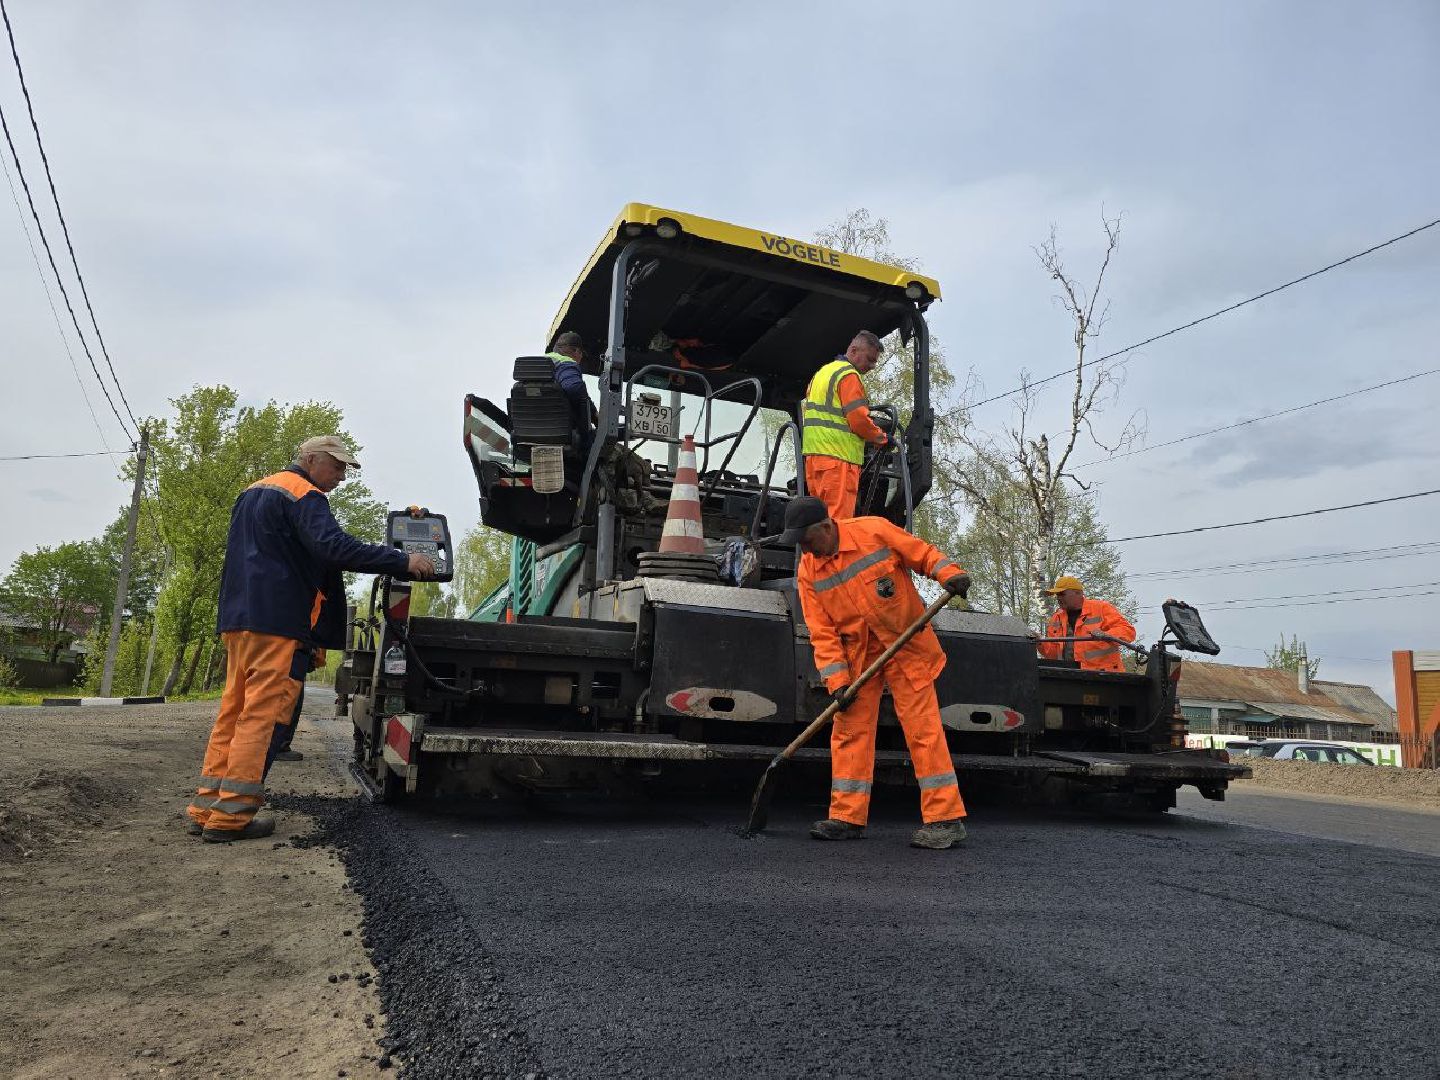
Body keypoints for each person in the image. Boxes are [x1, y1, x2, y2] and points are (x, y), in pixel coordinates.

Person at [186, 436, 434, 843]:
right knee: (261, 716)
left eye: (344, 469)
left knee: (233, 710)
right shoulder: (305, 495)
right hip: (278, 621)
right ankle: (231, 817)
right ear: (310, 458)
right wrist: (402, 560)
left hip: (239, 618)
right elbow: (334, 548)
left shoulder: (252, 492)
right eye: (336, 466)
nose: (340, 476)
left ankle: (206, 808)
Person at [781, 495, 971, 850]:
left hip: (905, 642)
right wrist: (838, 682)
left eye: (807, 540)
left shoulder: (873, 531)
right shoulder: (809, 571)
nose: (805, 550)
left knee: (923, 730)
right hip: (859, 657)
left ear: (825, 526)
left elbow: (922, 554)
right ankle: (847, 817)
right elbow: (821, 632)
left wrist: (949, 573)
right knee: (849, 730)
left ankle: (945, 819)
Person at [799, 330, 892, 520]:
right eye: (870, 359)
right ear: (854, 350)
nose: (872, 366)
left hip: (815, 461)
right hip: (838, 461)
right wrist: (881, 438)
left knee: (819, 524)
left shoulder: (822, 373)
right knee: (838, 524)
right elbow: (858, 420)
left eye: (875, 362)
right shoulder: (849, 376)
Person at [1036, 575, 1136, 673]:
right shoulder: (1056, 618)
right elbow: (1053, 655)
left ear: (1078, 593)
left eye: (1062, 594)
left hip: (1105, 676)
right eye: (1057, 595)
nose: (1058, 598)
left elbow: (1128, 631)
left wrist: (1106, 635)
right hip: (1069, 677)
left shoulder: (1101, 608)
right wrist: (1039, 642)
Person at [548, 330, 596, 456]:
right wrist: (594, 414)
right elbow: (574, 388)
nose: (581, 358)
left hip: (528, 431)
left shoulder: (539, 364)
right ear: (576, 351)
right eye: (581, 354)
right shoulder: (565, 363)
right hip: (561, 434)